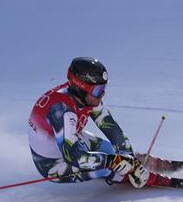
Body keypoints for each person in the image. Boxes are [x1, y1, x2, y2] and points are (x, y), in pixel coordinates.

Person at [28, 57, 168, 188]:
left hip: (71, 140)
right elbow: (74, 157)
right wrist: (116, 163)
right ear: (81, 87)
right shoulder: (63, 111)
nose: (102, 94)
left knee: (112, 152)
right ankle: (136, 178)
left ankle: (127, 165)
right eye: (97, 90)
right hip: (53, 165)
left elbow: (112, 129)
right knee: (109, 167)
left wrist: (129, 158)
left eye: (103, 88)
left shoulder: (84, 97)